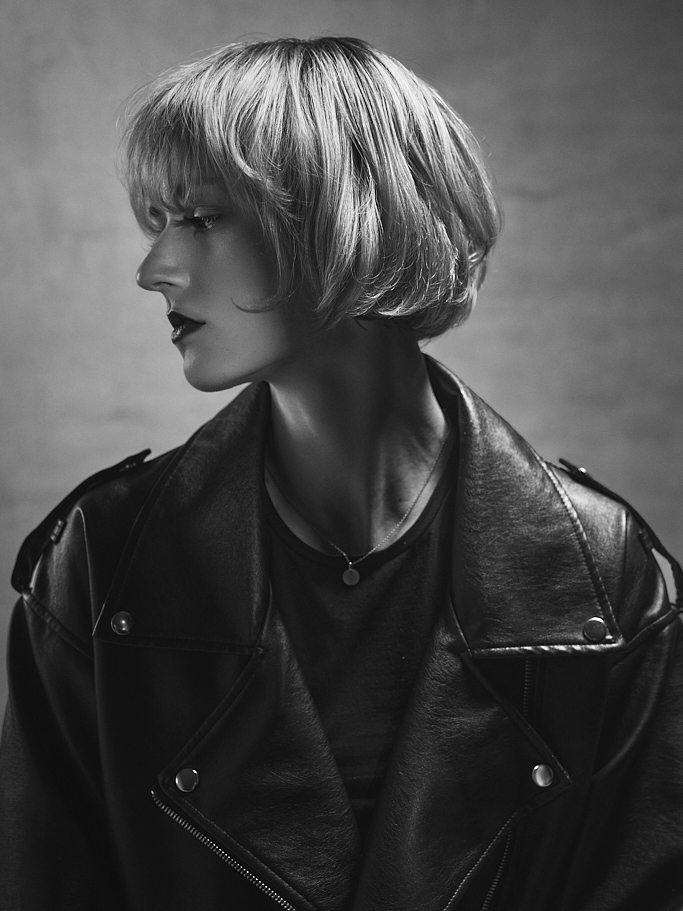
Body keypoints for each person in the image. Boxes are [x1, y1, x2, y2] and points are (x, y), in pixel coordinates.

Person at [1, 36, 681, 911]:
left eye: (200, 219)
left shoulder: (601, 574)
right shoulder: (103, 561)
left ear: (344, 219)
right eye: (157, 224)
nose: (153, 270)